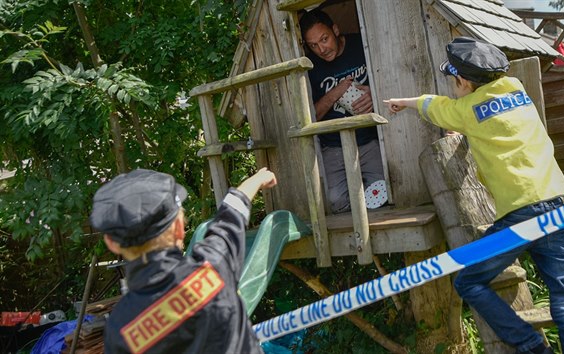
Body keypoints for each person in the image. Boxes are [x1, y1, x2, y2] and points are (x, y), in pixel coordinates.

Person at [384, 37, 564, 354]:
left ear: (463, 81)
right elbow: (495, 120)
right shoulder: (517, 89)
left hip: (519, 213)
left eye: (454, 81)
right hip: (559, 202)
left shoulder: (465, 110)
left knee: (468, 282)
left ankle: (532, 347)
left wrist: (405, 102)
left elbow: (435, 107)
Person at [90, 167, 277, 353]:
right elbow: (232, 213)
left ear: (112, 243)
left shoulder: (119, 329)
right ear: (179, 228)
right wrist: (259, 178)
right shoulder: (213, 266)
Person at [299, 9, 386, 213]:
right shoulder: (309, 66)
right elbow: (310, 116)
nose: (321, 49)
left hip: (370, 140)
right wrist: (334, 93)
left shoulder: (362, 45)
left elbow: (392, 74)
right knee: (335, 202)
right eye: (313, 45)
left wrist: (375, 94)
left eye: (324, 39)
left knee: (385, 191)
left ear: (335, 30)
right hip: (333, 147)